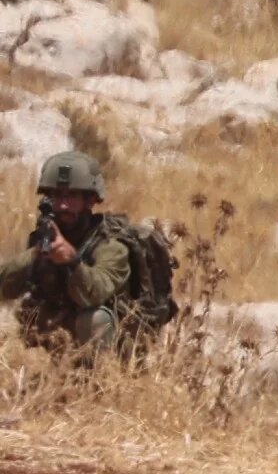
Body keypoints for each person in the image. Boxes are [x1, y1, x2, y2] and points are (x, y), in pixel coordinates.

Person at [1, 151, 164, 356]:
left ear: (91, 200)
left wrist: (72, 262)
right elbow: (4, 287)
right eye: (57, 196)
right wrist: (35, 255)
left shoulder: (111, 243)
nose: (63, 205)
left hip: (112, 344)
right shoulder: (43, 238)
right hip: (59, 335)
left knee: (95, 319)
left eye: (72, 196)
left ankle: (96, 384)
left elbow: (95, 293)